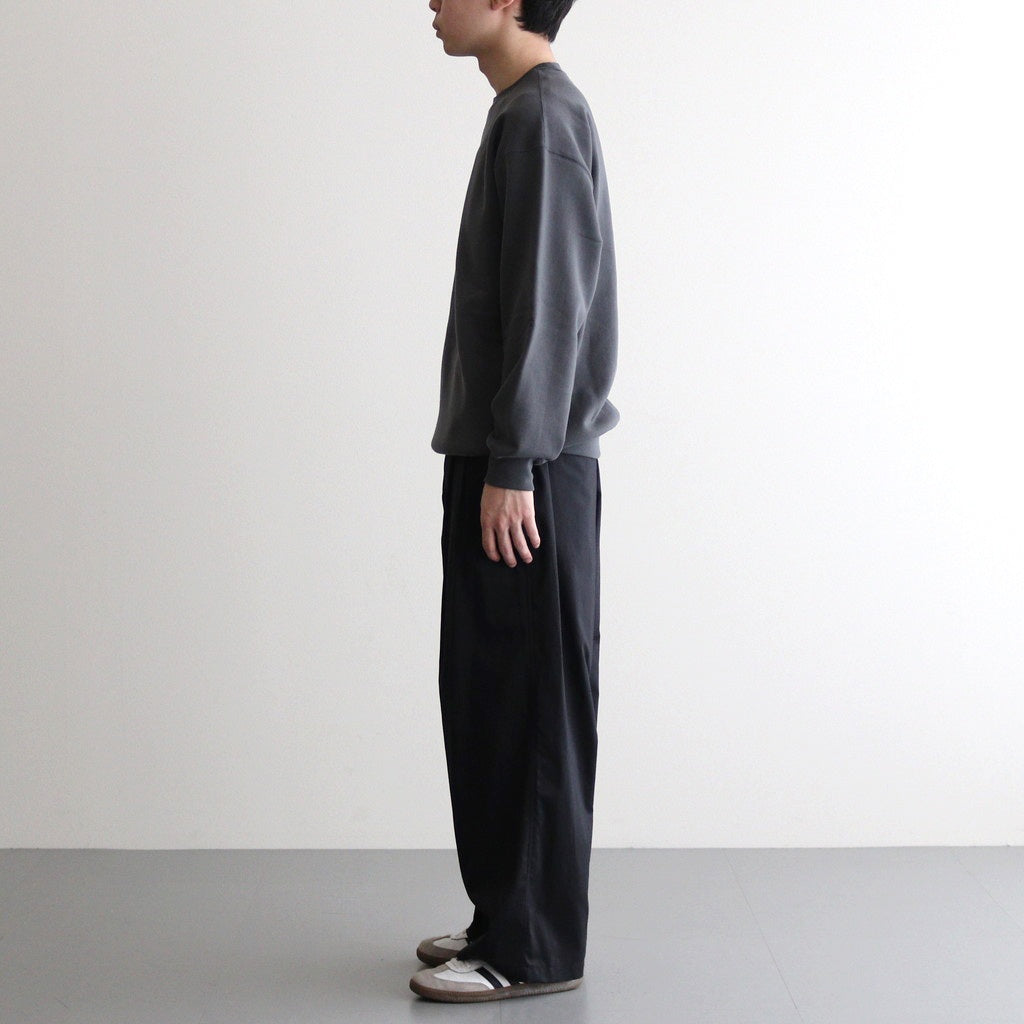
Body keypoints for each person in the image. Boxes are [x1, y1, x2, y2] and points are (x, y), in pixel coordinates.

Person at [409, 0, 620, 1004]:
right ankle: (504, 913)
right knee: (489, 694)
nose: (429, 1)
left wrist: (516, 462)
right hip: (504, 456)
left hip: (526, 467)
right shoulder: (520, 111)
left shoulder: (542, 117)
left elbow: (550, 303)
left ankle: (532, 946)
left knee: (530, 702)